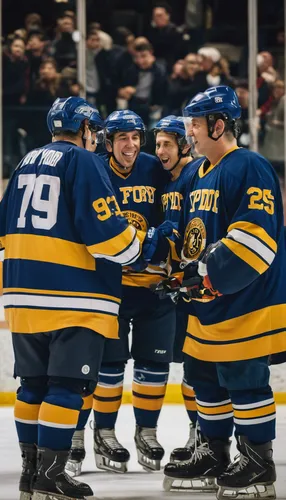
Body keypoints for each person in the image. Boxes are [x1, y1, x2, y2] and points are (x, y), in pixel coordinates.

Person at [0, 97, 145, 500]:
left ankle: (30, 477)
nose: (96, 138)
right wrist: (139, 248)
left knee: (32, 385)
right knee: (66, 387)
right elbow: (107, 235)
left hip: (22, 295)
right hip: (73, 296)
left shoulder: (25, 161)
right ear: (84, 130)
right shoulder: (83, 162)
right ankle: (51, 477)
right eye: (94, 132)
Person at [151, 86, 286, 498]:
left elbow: (257, 237)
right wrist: (174, 265)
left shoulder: (249, 166)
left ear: (220, 124)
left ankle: (259, 462)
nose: (189, 131)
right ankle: (214, 452)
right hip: (205, 304)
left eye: (195, 123)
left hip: (245, 298)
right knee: (202, 377)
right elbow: (187, 234)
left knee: (243, 380)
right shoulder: (194, 173)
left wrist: (209, 272)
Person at [67, 110, 177, 476]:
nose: (130, 146)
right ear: (108, 142)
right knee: (107, 367)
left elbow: (173, 207)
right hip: (109, 289)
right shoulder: (93, 169)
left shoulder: (155, 169)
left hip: (154, 287)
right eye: (122, 139)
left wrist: (165, 238)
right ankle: (103, 433)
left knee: (154, 365)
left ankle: (147, 431)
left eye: (135, 138)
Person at [153, 115, 200, 461]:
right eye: (157, 144)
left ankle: (210, 435)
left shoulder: (198, 175)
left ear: (184, 144)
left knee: (203, 366)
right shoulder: (166, 182)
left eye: (167, 143)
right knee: (190, 366)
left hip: (202, 285)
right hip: (180, 288)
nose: (160, 151)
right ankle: (199, 431)